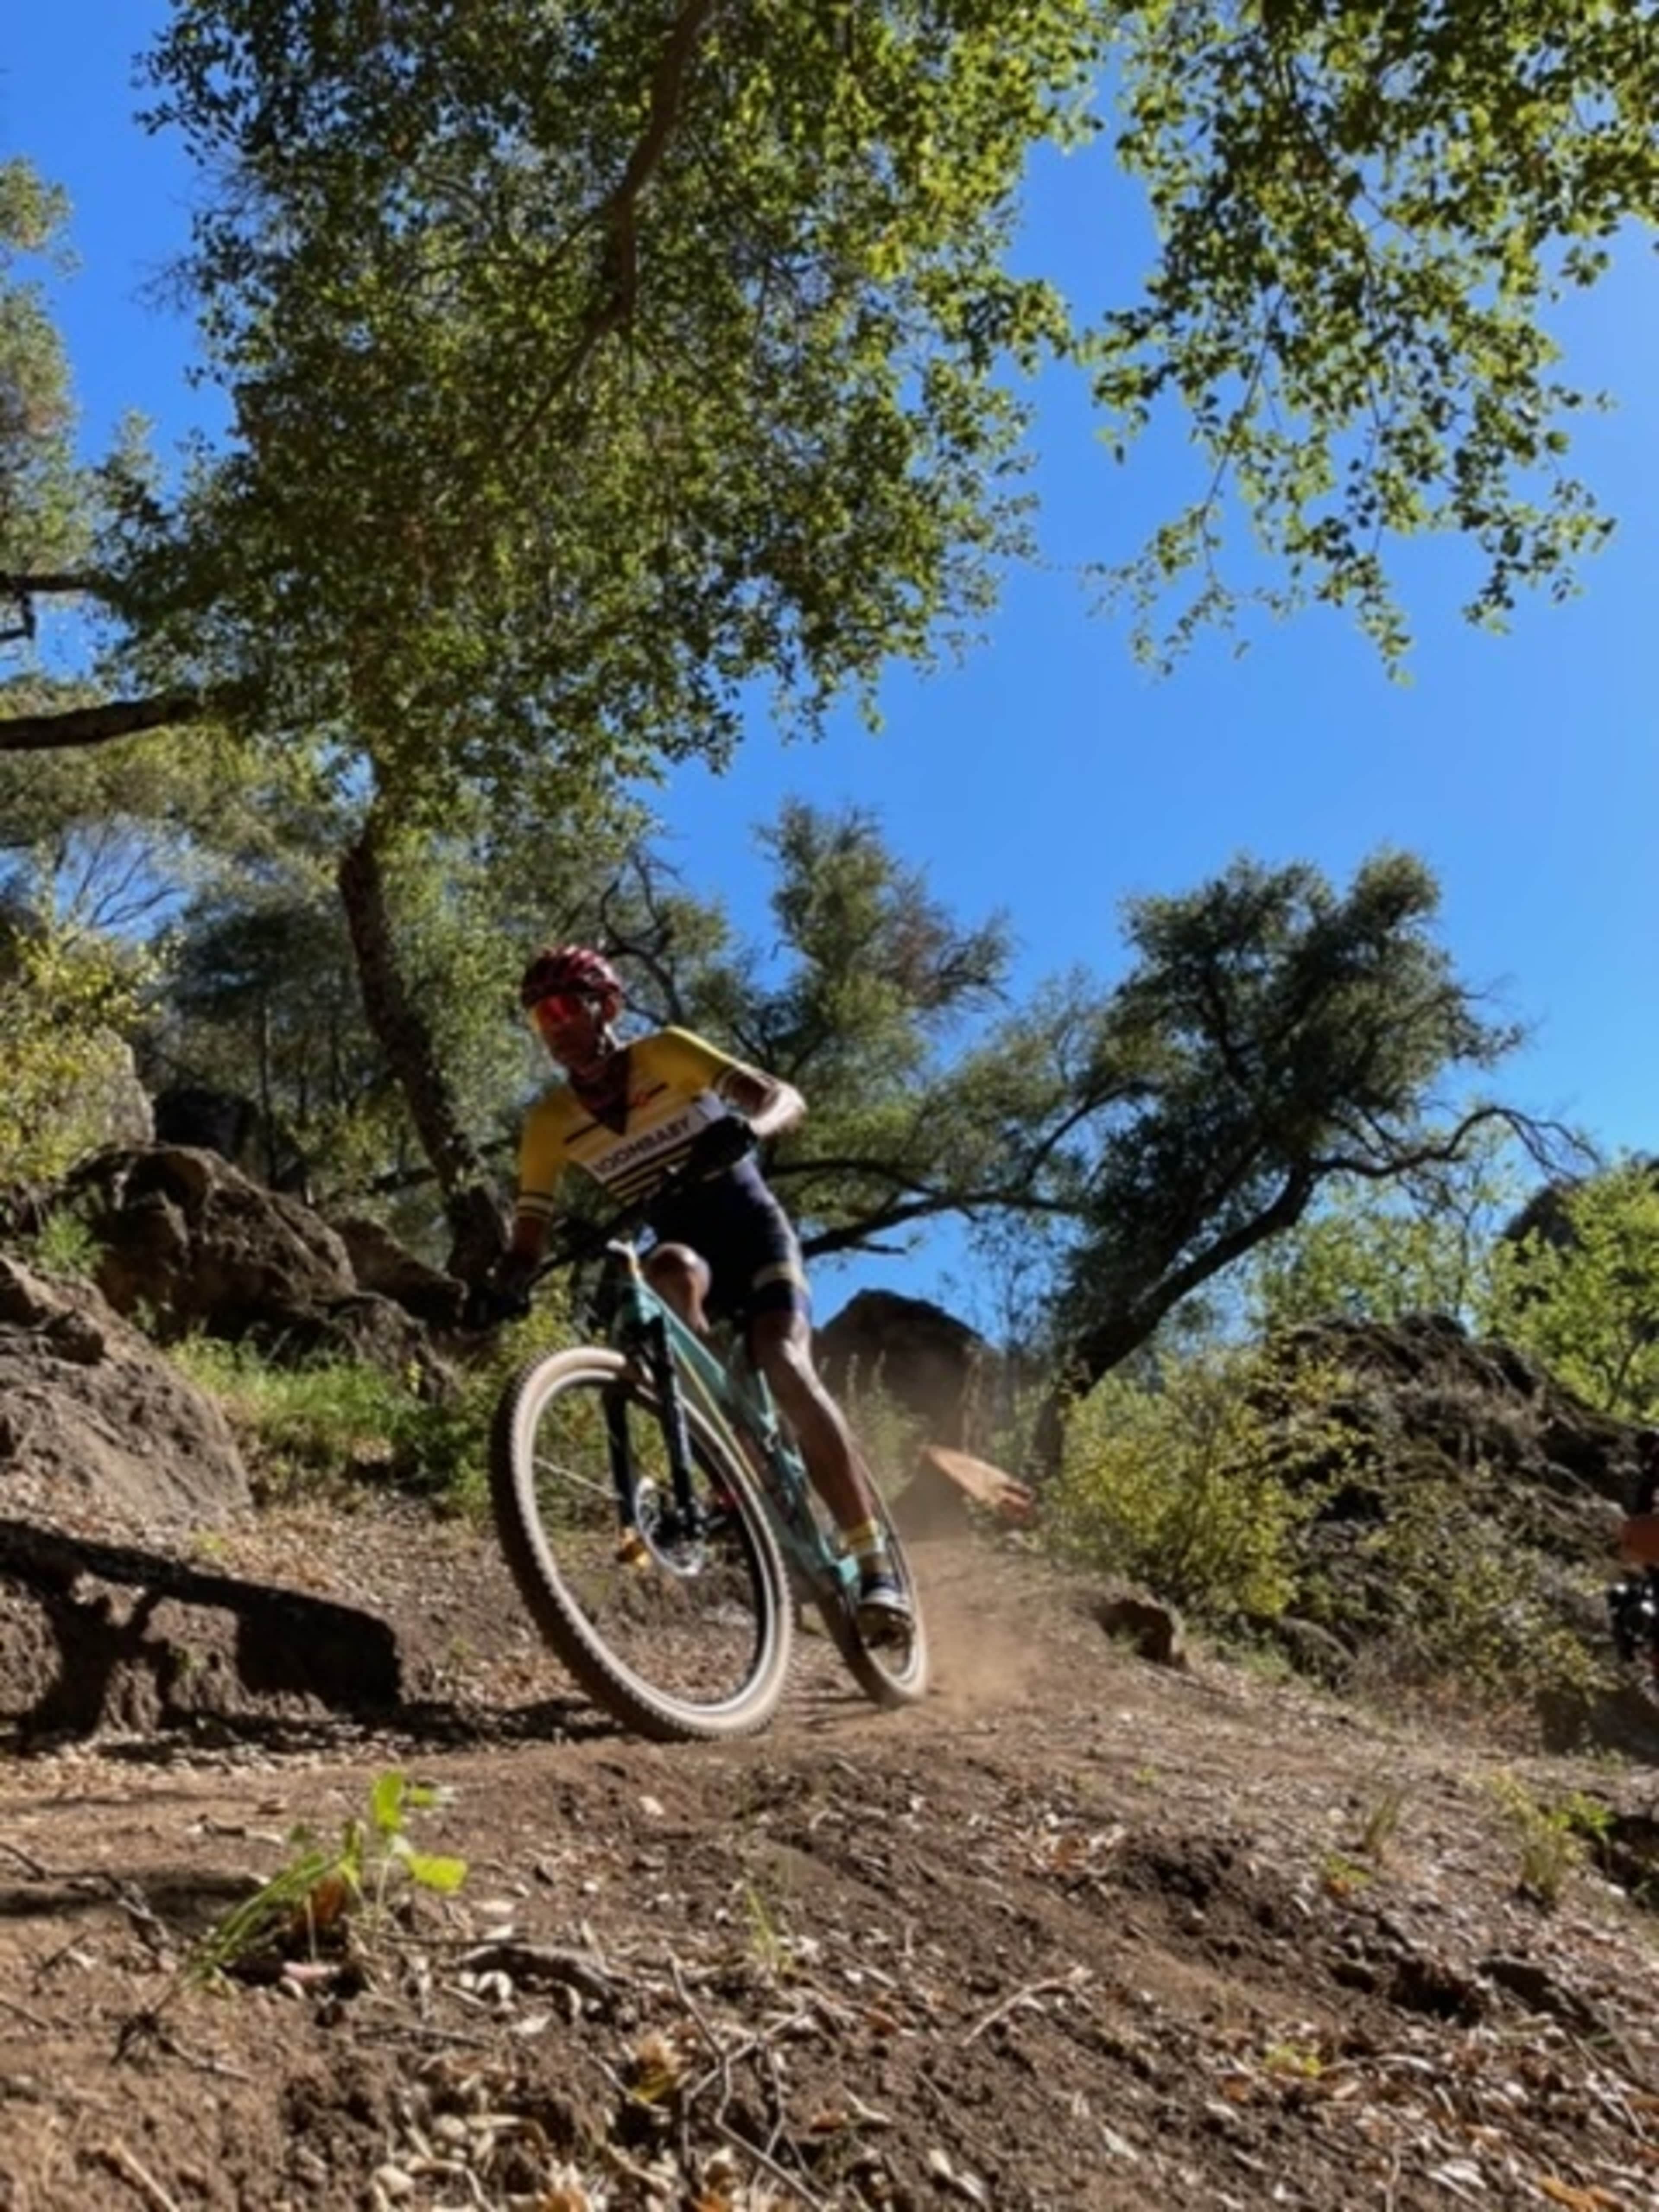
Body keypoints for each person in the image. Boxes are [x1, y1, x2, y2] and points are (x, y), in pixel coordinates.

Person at [489, 942, 912, 1638]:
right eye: (542, 1019)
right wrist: (501, 1287)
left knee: (784, 1360)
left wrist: (748, 1127)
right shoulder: (549, 1122)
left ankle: (876, 1566)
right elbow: (528, 1236)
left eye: (567, 1006)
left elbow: (784, 1097)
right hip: (690, 1251)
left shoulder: (665, 1055)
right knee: (668, 1270)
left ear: (609, 1007)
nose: (556, 1026)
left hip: (753, 1233)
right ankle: (726, 1425)